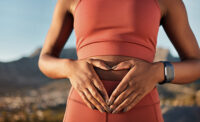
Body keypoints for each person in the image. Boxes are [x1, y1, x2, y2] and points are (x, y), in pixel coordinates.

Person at [38, 0, 200, 121]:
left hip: (142, 111)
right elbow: (45, 59)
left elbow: (196, 64)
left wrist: (159, 72)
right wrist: (70, 68)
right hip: (82, 110)